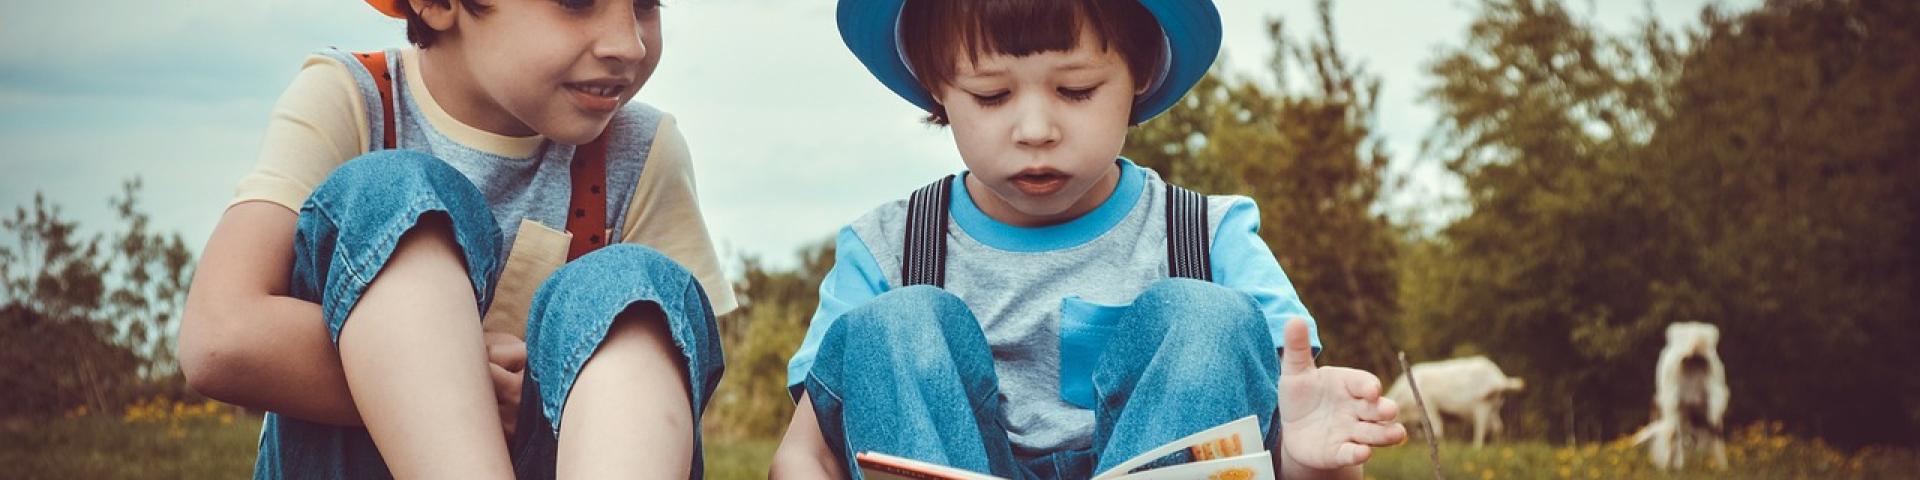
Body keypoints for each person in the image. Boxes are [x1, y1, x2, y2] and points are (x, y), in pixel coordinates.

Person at [770, 1, 1406, 478]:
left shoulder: (1209, 237)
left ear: (1140, 76)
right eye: (991, 95)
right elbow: (806, 457)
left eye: (1076, 90)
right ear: (938, 88)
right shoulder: (888, 249)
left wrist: (1308, 461)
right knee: (896, 324)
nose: (1035, 129)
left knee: (1205, 315)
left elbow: (1288, 445)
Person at [177, 0, 735, 478]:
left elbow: (659, 387)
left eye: (646, 4)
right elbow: (223, 336)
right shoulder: (355, 99)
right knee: (393, 192)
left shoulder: (641, 150)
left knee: (635, 287)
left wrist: (536, 402)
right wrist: (453, 383)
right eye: (575, 1)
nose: (628, 44)